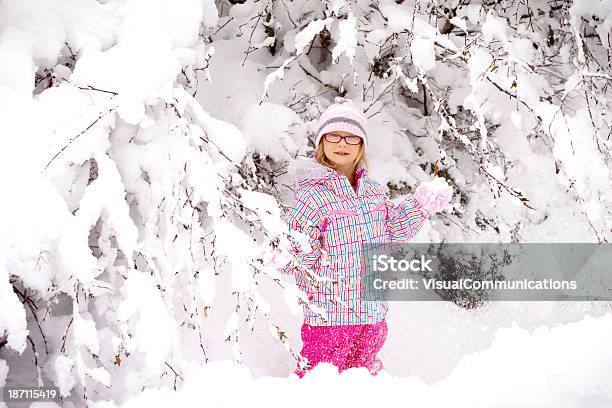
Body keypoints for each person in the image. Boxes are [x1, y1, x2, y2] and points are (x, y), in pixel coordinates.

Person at [281, 101, 452, 377]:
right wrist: (287, 254)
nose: (342, 143)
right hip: (330, 317)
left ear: (361, 145)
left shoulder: (373, 192)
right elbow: (301, 248)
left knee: (364, 384)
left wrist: (420, 206)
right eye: (333, 136)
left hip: (372, 314)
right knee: (320, 383)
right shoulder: (312, 197)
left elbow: (392, 229)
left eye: (351, 137)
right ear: (321, 143)